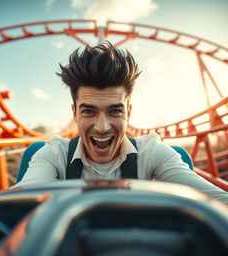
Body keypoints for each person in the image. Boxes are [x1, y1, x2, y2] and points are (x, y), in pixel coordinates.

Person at [12, 42, 228, 204]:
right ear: (75, 113)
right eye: (89, 111)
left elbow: (216, 201)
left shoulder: (151, 151)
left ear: (129, 113)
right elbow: (21, 199)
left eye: (115, 111)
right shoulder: (53, 153)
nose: (102, 126)